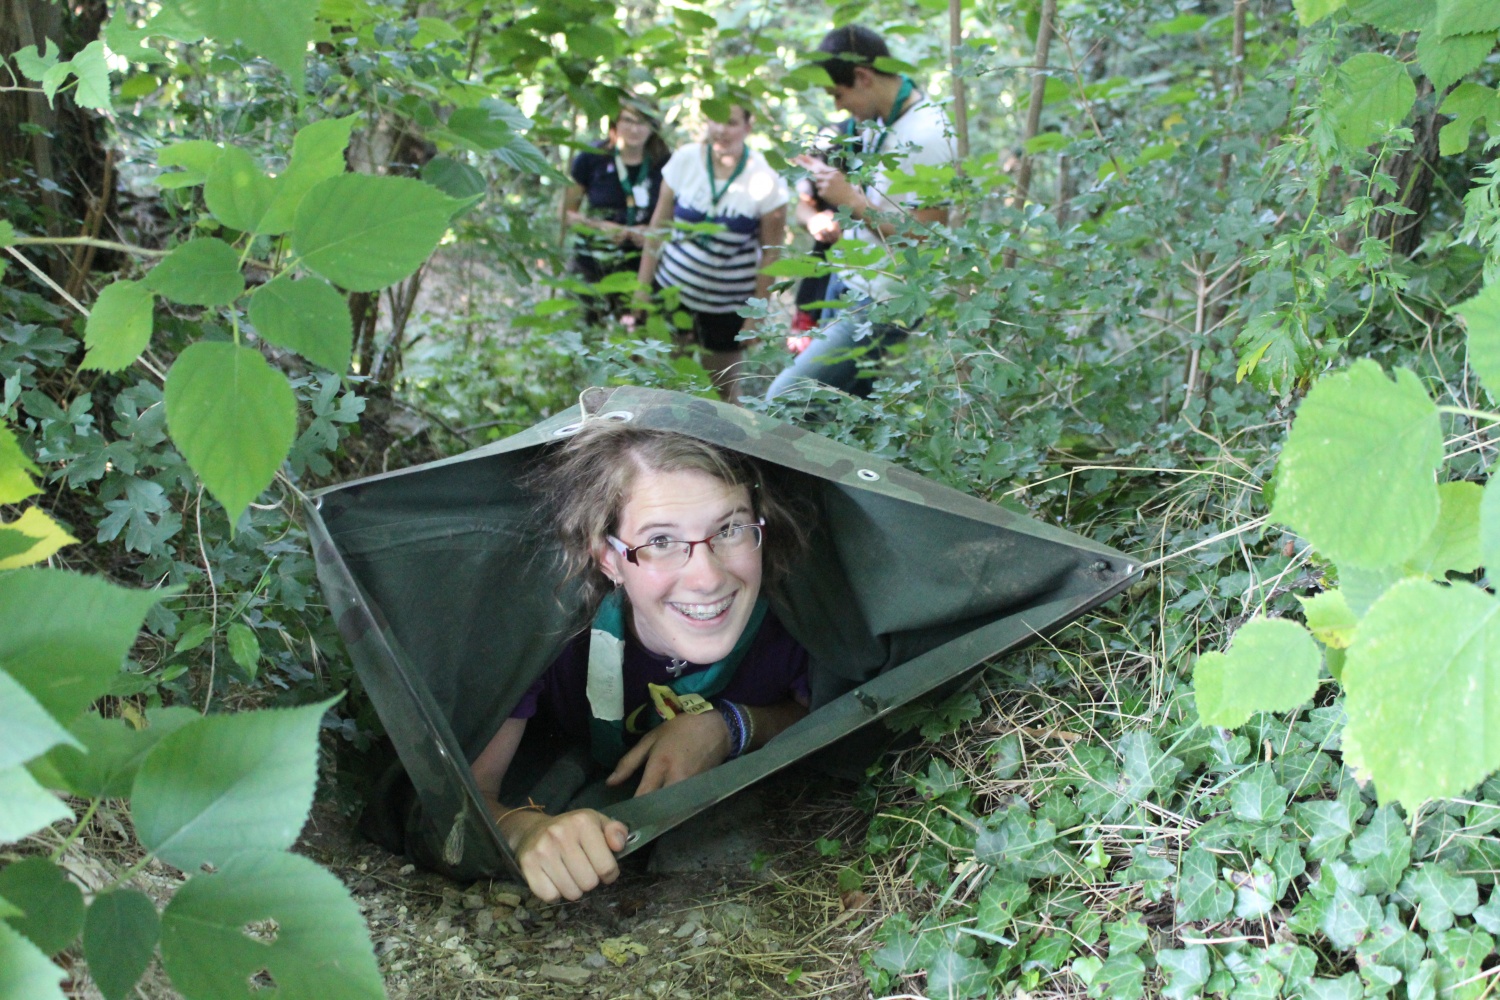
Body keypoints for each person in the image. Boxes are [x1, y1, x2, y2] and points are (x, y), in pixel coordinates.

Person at [470, 421, 811, 902]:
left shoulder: (796, 620)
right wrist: (523, 830)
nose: (707, 578)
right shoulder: (547, 636)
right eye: (660, 542)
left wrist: (729, 726)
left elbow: (829, 706)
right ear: (607, 559)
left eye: (730, 529)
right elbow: (467, 793)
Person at [767, 25, 956, 400]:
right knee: (842, 415)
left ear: (863, 77)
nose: (837, 106)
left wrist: (851, 202)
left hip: (882, 301)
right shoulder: (878, 122)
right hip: (846, 282)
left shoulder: (930, 132)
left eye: (838, 94)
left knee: (783, 401)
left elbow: (928, 234)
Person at [637, 103, 789, 402]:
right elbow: (657, 229)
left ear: (748, 126)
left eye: (731, 122)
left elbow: (771, 255)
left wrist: (756, 315)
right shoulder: (685, 160)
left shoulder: (766, 178)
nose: (722, 129)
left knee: (723, 393)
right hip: (672, 294)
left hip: (727, 308)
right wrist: (642, 290)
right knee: (661, 379)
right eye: (716, 120)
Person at [561, 104, 670, 324]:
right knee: (583, 335)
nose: (635, 129)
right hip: (592, 264)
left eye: (642, 122)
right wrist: (598, 228)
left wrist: (653, 232)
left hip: (643, 268)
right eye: (628, 121)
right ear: (615, 124)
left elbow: (677, 220)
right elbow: (566, 214)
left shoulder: (666, 164)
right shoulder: (591, 158)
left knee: (637, 340)